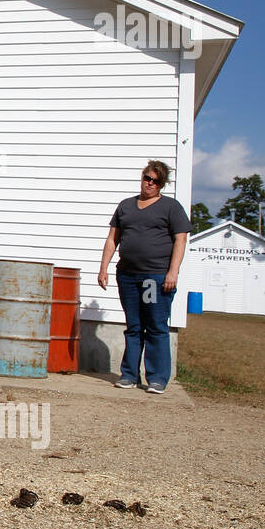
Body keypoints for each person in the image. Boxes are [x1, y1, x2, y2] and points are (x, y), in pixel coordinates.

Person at [98, 160, 189, 394]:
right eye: (147, 178)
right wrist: (103, 268)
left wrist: (173, 272)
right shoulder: (126, 206)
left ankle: (157, 378)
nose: (149, 183)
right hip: (128, 276)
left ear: (161, 185)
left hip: (153, 278)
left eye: (155, 181)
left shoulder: (171, 207)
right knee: (133, 326)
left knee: (155, 325)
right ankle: (129, 375)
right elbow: (112, 239)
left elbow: (181, 239)